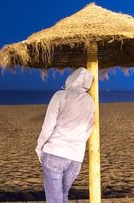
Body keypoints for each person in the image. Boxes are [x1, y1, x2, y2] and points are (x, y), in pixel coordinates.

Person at [35, 67, 95, 203]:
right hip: (76, 158)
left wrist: (39, 148)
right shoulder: (90, 102)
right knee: (63, 196)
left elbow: (48, 125)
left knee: (54, 199)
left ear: (72, 79)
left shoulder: (60, 95)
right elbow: (88, 130)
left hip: (55, 152)